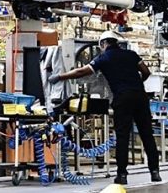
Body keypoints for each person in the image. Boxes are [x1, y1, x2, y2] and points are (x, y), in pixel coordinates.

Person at [48, 30, 161, 185]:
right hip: (140, 97)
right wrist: (137, 82)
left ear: (103, 44)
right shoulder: (132, 54)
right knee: (147, 134)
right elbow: (146, 72)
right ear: (117, 43)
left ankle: (122, 175)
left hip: (122, 98)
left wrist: (60, 76)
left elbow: (81, 71)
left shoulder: (104, 58)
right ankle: (155, 172)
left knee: (122, 136)